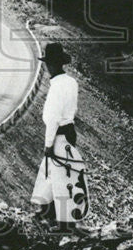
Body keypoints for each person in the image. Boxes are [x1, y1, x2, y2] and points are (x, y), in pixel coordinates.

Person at [30, 42, 89, 231]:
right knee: (61, 173)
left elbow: (53, 118)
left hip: (59, 133)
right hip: (70, 131)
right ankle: (50, 213)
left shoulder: (56, 87)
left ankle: (62, 221)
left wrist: (48, 144)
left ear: (52, 65)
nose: (47, 67)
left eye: (48, 64)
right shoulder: (71, 82)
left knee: (58, 175)